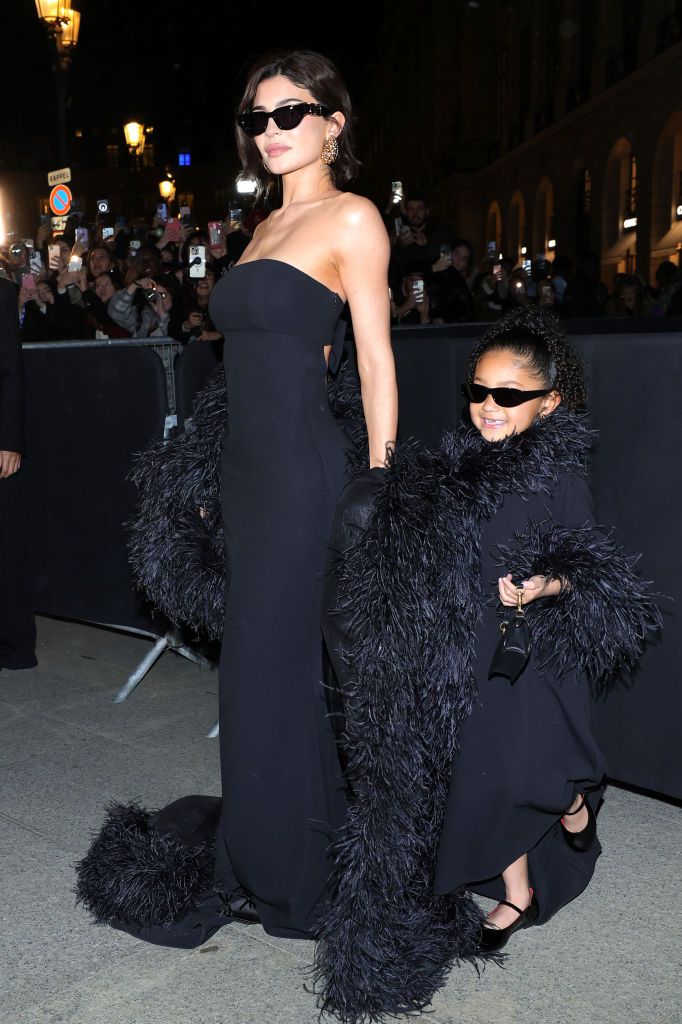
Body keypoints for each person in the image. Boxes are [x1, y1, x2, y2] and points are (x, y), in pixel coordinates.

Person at [77, 47, 397, 958]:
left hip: (306, 474)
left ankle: (295, 869)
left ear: (334, 121)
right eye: (257, 119)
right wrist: (216, 478)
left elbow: (372, 358)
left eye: (289, 113)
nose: (270, 132)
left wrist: (376, 485)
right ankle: (261, 848)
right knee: (252, 672)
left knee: (284, 670)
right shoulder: (258, 229)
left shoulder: (353, 218)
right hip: (250, 478)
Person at [318, 305, 658, 1018]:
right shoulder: (454, 462)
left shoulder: (559, 478)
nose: (487, 407)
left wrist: (542, 584)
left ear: (550, 402)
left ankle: (571, 806)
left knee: (530, 771)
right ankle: (518, 894)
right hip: (466, 645)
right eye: (478, 391)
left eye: (508, 396)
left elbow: (592, 573)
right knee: (479, 774)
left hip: (532, 650)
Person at [0, 276, 37, 670]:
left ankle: (14, 645)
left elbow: (10, 367)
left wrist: (10, 440)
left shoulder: (0, 291)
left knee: (5, 540)